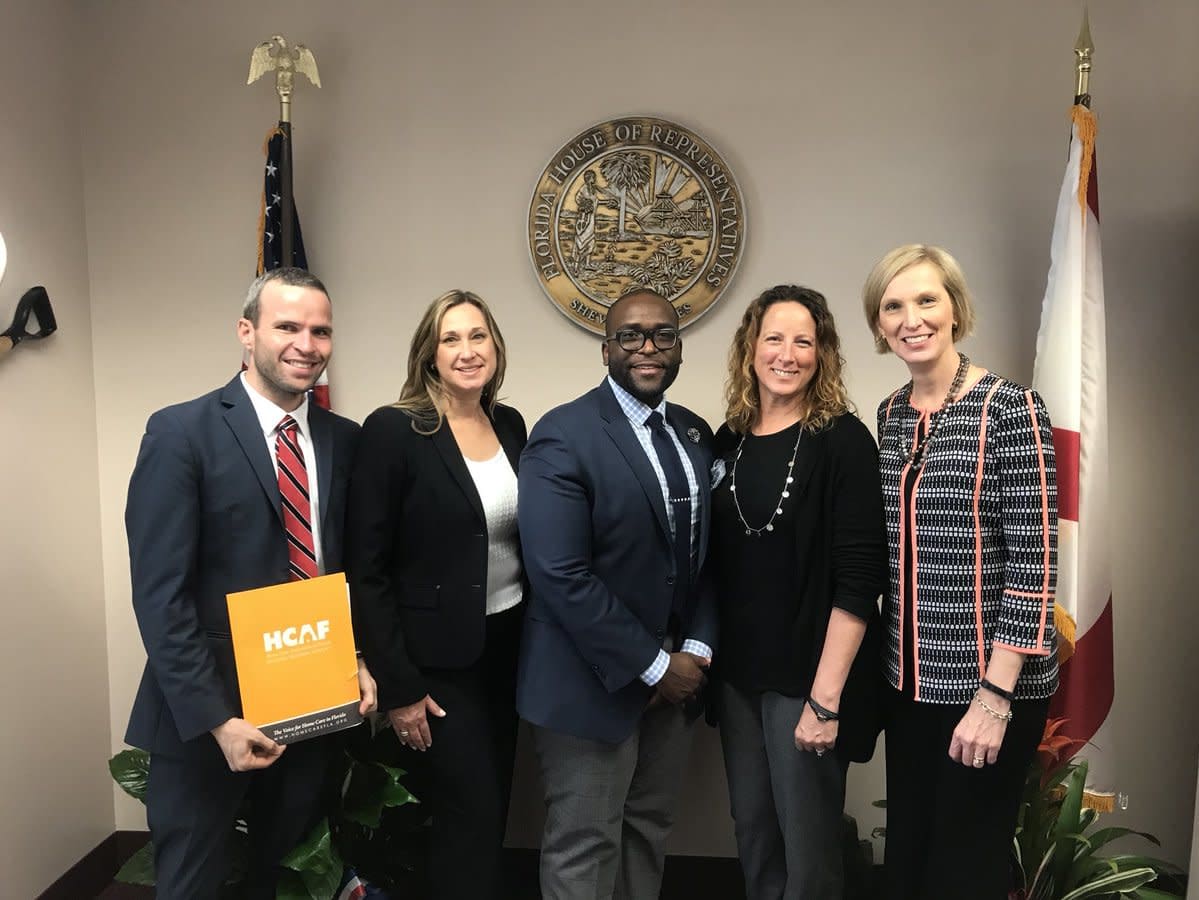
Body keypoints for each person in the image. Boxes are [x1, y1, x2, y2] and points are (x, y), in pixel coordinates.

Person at [124, 267, 374, 899]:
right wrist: (218, 721)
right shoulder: (181, 433)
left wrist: (358, 660)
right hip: (211, 718)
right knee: (192, 884)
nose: (306, 344)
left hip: (311, 703)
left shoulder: (346, 441)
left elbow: (345, 571)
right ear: (247, 331)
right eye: (287, 326)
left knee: (279, 876)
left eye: (321, 331)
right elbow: (161, 596)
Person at [862, 244, 1058, 900]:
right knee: (908, 860)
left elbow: (1034, 563)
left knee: (963, 869)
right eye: (893, 305)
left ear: (954, 310)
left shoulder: (1011, 408)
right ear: (878, 323)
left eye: (925, 299)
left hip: (988, 686)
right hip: (908, 681)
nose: (910, 317)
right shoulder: (889, 415)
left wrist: (993, 699)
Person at [516, 288, 717, 900]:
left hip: (678, 676)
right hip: (590, 680)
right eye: (631, 335)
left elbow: (708, 557)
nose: (648, 347)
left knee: (646, 832)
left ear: (679, 348)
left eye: (663, 334)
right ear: (606, 349)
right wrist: (654, 667)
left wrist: (697, 653)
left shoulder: (694, 432)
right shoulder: (563, 434)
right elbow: (560, 575)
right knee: (586, 844)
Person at [346, 290, 526, 900]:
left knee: (493, 803)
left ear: (496, 347)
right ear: (430, 352)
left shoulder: (509, 425)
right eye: (451, 338)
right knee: (467, 813)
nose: (467, 351)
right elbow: (366, 570)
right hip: (434, 666)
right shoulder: (395, 430)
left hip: (508, 651)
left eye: (478, 336)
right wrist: (400, 687)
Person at [709, 285, 886, 899]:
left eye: (803, 341)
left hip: (808, 682)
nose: (787, 354)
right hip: (738, 680)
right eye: (774, 338)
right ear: (750, 349)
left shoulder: (843, 441)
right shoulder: (727, 440)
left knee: (808, 855)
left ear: (823, 352)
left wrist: (825, 699)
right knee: (755, 836)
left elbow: (861, 577)